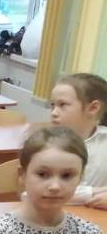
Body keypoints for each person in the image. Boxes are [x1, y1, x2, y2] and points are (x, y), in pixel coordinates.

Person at [48, 73, 107, 208]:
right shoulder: (46, 146)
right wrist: (96, 192)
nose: (54, 112)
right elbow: (35, 192)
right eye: (52, 105)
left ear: (93, 108)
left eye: (62, 105)